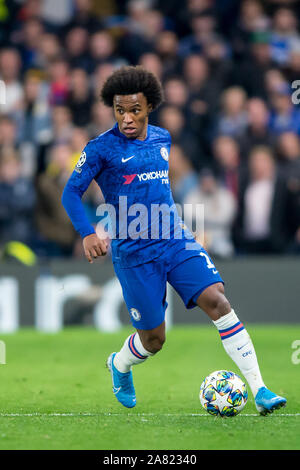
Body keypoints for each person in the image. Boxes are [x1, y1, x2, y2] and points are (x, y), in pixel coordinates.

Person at [62, 65, 286, 415]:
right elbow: (71, 193)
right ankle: (120, 365)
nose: (127, 118)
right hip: (134, 253)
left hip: (174, 240)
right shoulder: (100, 148)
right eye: (120, 111)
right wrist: (88, 233)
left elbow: (161, 187)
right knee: (154, 340)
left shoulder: (163, 138)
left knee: (218, 300)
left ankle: (260, 390)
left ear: (150, 106)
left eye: (135, 110)